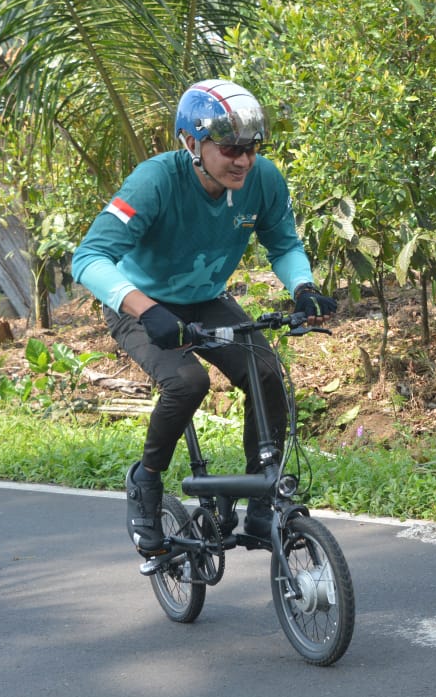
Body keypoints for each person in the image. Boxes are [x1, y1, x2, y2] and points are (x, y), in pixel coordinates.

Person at [72, 79, 337, 557]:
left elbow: (284, 243)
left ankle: (262, 503)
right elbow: (89, 258)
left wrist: (303, 288)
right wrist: (146, 309)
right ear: (191, 143)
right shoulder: (154, 181)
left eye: (252, 148)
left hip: (206, 298)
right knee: (188, 383)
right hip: (140, 304)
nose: (244, 160)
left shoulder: (263, 180)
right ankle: (146, 482)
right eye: (231, 147)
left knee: (265, 373)